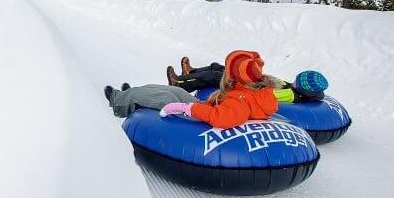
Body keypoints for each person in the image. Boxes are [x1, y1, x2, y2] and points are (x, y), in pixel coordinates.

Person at [105, 50, 280, 130]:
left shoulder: (241, 98)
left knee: (164, 97)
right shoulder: (251, 87)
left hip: (205, 117)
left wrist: (187, 108)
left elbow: (223, 117)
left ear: (235, 75)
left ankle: (118, 101)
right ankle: (133, 93)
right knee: (177, 92)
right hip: (208, 107)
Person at [167, 58, 328, 103]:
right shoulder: (293, 88)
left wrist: (249, 82)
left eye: (297, 81)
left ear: (303, 88)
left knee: (215, 76)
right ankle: (190, 72)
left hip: (245, 89)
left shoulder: (290, 94)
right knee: (220, 67)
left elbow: (265, 95)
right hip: (253, 83)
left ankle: (179, 83)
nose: (294, 81)